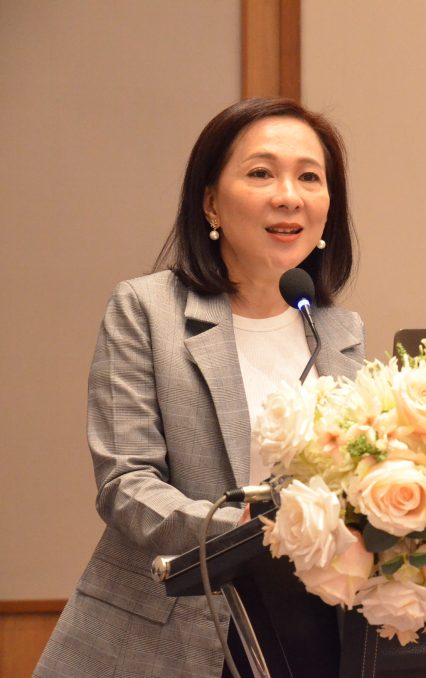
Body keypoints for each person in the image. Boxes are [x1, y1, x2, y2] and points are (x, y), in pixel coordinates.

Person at [34, 98, 364, 677]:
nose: (289, 195)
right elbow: (126, 484)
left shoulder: (339, 329)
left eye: (310, 177)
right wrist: (247, 530)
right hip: (172, 631)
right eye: (261, 173)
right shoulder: (146, 309)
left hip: (309, 629)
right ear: (211, 202)